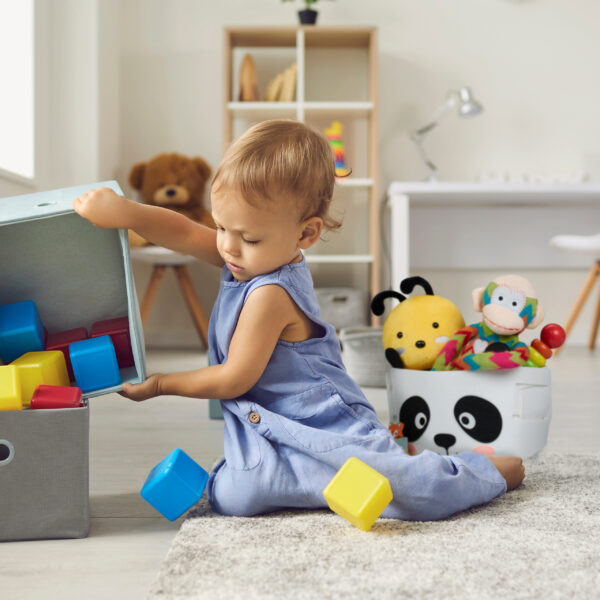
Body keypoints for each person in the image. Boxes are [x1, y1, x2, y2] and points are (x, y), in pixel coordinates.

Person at [73, 119, 525, 521]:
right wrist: (125, 213)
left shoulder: (270, 292)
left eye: (247, 237)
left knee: (413, 492)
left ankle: (485, 471)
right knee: (234, 497)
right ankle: (316, 482)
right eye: (222, 227)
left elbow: (233, 378)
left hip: (330, 425)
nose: (226, 245)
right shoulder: (246, 255)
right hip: (271, 426)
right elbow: (185, 232)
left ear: (305, 233)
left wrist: (160, 384)